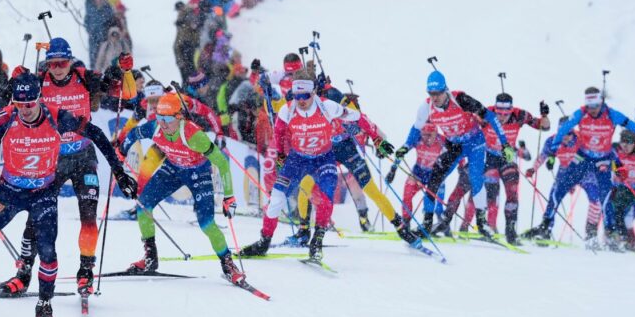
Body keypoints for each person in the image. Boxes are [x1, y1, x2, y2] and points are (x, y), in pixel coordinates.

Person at [0, 73, 136, 317]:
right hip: (8, 192)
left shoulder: (57, 116)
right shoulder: (4, 119)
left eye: (30, 103)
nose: (25, 109)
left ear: (40, 98)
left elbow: (96, 134)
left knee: (48, 252)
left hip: (43, 192)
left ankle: (44, 304)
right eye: (19, 103)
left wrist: (119, 173)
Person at [0, 38, 130, 298]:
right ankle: (23, 275)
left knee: (89, 215)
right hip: (52, 158)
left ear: (71, 61)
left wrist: (120, 68)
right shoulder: (37, 81)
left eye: (62, 63)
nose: (57, 68)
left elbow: (117, 88)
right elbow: (4, 107)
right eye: (52, 63)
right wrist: (12, 83)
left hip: (83, 155)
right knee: (36, 217)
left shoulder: (84, 77)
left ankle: (85, 272)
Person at [240, 75, 398, 260]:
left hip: (323, 158)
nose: (300, 101)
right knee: (276, 199)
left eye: (305, 96)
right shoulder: (287, 110)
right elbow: (280, 133)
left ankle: (316, 242)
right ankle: (264, 242)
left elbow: (358, 117)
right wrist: (282, 155)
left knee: (326, 197)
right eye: (296, 96)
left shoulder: (327, 106)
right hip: (298, 159)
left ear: (313, 93)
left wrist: (377, 139)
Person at [120, 93, 244, 281]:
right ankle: (150, 258)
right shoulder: (155, 128)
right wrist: (121, 152)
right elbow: (133, 134)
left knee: (206, 223)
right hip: (173, 168)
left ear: (179, 117)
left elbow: (222, 163)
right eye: (159, 118)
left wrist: (229, 197)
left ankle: (228, 263)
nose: (162, 124)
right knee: (143, 206)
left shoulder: (194, 135)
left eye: (167, 119)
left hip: (198, 173)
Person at [395, 71, 515, 241]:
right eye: (431, 93)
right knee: (434, 178)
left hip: (475, 142)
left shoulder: (461, 99)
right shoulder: (426, 107)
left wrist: (505, 144)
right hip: (454, 145)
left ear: (446, 90)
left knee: (475, 178)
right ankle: (427, 223)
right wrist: (406, 146)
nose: (434, 97)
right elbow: (416, 128)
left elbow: (490, 117)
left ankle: (482, 224)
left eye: (438, 93)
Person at [523, 87, 635, 241]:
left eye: (595, 106)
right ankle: (545, 226)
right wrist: (554, 149)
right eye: (589, 106)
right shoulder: (580, 113)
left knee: (604, 195)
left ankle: (611, 232)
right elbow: (563, 129)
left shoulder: (613, 115)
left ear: (601, 102)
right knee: (559, 189)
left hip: (603, 159)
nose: (592, 110)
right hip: (582, 158)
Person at [460, 94, 549, 244]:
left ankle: (510, 232)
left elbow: (543, 127)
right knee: (484, 193)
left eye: (505, 114)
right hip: (488, 157)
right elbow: (468, 123)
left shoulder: (520, 115)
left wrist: (545, 115)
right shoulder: (487, 113)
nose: (501, 117)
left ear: (511, 110)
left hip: (507, 157)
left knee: (513, 193)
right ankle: (466, 226)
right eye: (498, 113)